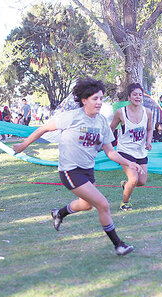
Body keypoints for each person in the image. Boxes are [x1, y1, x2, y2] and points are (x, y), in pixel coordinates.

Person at [13, 78, 143, 256]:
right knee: (103, 205)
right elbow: (43, 129)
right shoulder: (72, 117)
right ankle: (118, 244)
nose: (99, 102)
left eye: (101, 99)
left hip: (87, 170)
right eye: (95, 99)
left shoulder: (102, 122)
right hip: (70, 170)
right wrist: (23, 145)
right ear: (84, 100)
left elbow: (110, 152)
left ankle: (59, 213)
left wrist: (130, 163)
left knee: (86, 205)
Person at [110, 83, 152, 211]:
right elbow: (111, 129)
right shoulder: (121, 112)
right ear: (129, 97)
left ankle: (126, 185)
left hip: (141, 151)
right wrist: (105, 144)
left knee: (141, 181)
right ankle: (125, 203)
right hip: (125, 151)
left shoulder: (148, 112)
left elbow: (150, 129)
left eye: (140, 94)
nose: (138, 97)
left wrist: (148, 142)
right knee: (133, 179)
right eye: (135, 94)